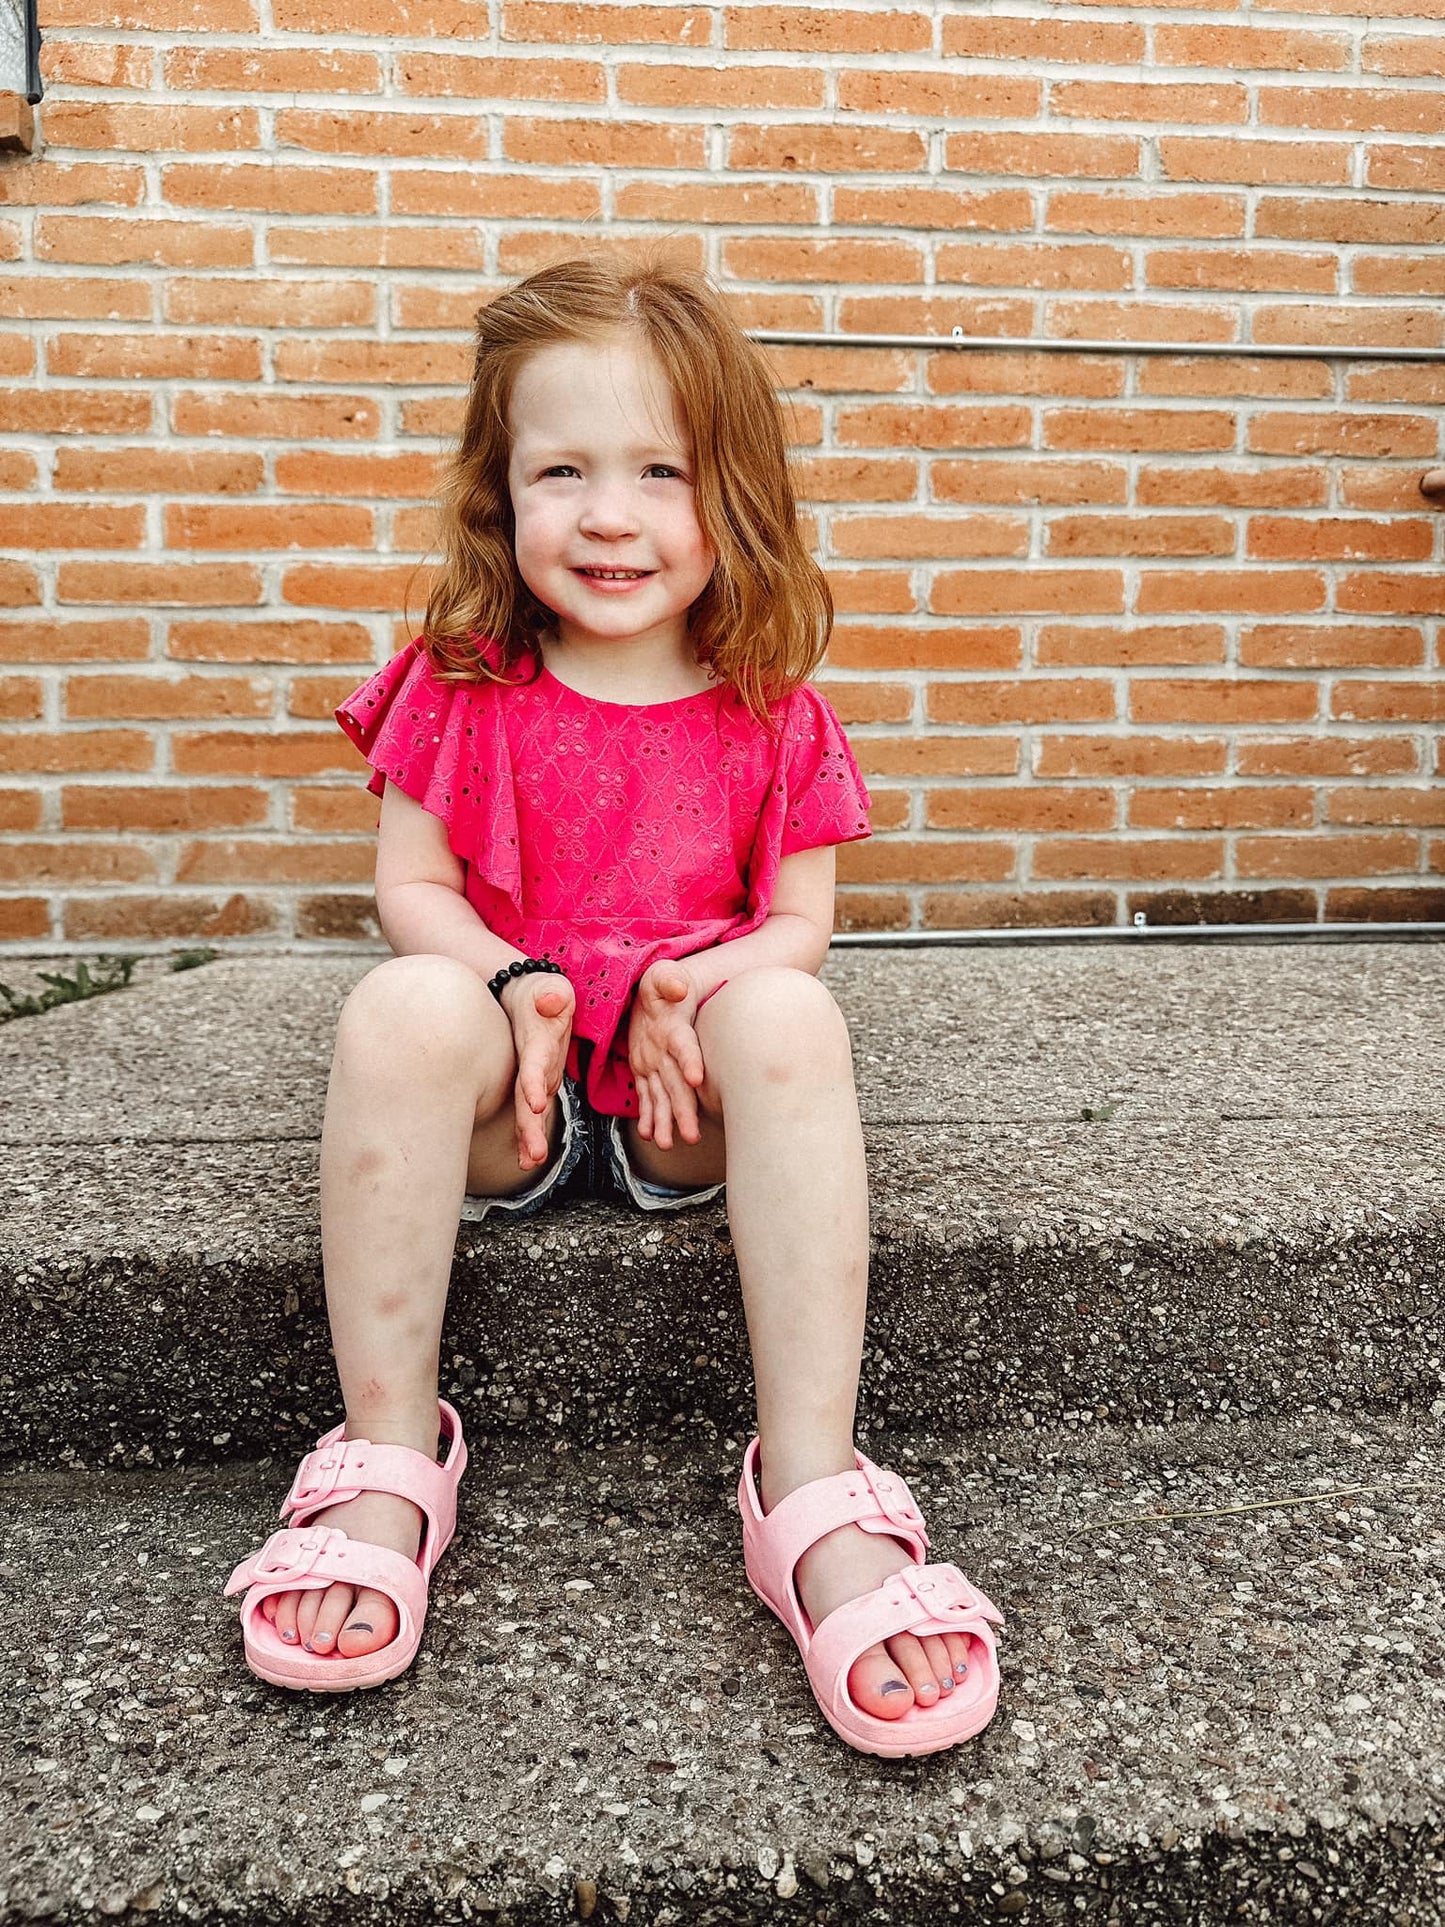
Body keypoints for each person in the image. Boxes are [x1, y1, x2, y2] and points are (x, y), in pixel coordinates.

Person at [224, 253, 1003, 1756]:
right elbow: (414, 890)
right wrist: (512, 982)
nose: (605, 515)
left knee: (787, 1021)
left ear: (736, 497)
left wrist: (687, 982)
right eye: (560, 469)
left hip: (674, 1107)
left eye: (661, 471)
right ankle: (386, 1455)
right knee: (400, 1004)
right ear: (496, 491)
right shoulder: (460, 686)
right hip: (502, 1111)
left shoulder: (769, 706)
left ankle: (812, 1483)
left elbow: (797, 927)